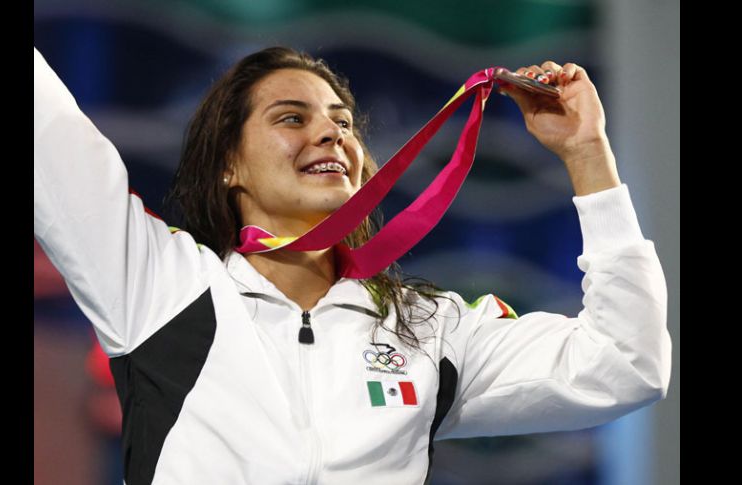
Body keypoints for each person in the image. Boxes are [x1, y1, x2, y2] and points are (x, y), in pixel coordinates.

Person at [34, 45, 671, 485]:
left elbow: (627, 363)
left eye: (343, 123)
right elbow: (49, 136)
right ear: (228, 164)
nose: (331, 134)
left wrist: (588, 155)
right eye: (292, 118)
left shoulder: (428, 330)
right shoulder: (158, 287)